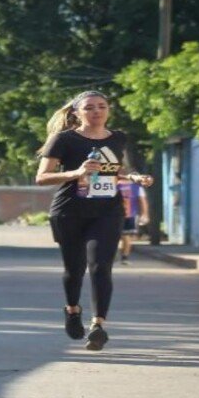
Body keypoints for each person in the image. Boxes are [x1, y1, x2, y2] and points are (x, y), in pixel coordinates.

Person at [34, 90, 153, 351]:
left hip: (107, 211)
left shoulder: (118, 138)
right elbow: (42, 177)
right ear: (77, 113)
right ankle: (72, 309)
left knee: (100, 266)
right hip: (69, 211)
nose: (96, 111)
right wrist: (77, 172)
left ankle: (98, 325)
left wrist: (134, 178)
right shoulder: (64, 139)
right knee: (75, 268)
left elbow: (116, 168)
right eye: (89, 107)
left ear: (108, 110)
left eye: (102, 106)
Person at [117, 177, 149, 265]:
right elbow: (143, 201)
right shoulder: (137, 187)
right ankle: (124, 257)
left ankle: (118, 255)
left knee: (118, 236)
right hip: (131, 214)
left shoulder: (115, 185)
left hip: (116, 215)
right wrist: (145, 214)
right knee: (126, 236)